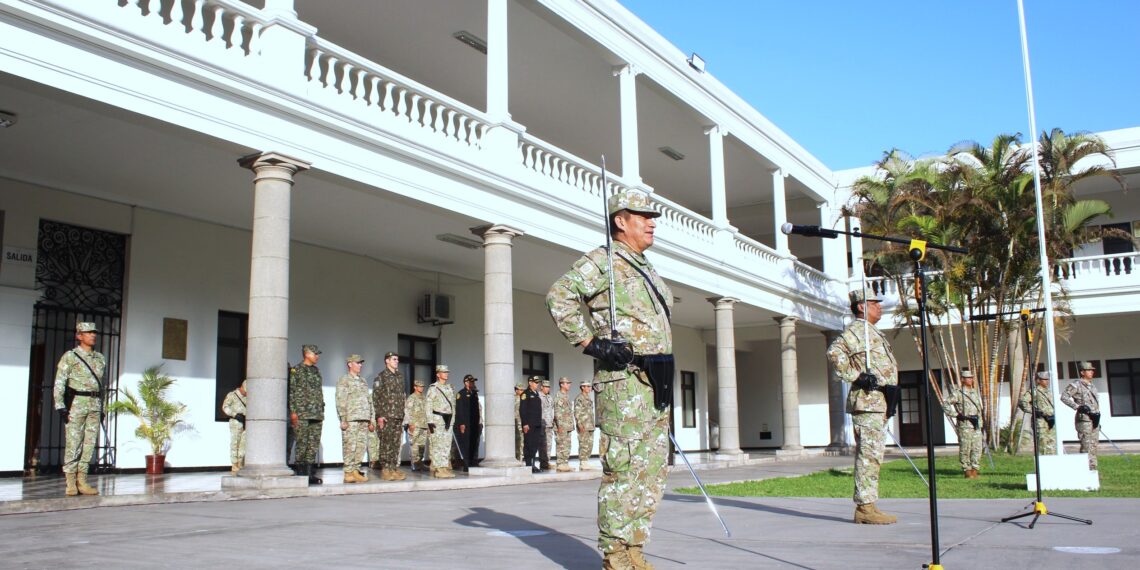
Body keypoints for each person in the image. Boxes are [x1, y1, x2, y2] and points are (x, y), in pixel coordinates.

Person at [546, 190, 674, 568]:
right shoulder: (604, 261)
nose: (652, 223)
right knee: (624, 468)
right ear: (621, 220)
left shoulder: (645, 267)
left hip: (655, 382)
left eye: (653, 217)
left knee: (650, 470)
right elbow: (560, 295)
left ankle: (635, 549)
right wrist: (593, 344)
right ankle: (616, 556)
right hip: (625, 384)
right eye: (643, 216)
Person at [826, 289, 898, 525]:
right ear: (860, 306)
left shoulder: (872, 332)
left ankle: (869, 504)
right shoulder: (857, 331)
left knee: (874, 455)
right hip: (868, 402)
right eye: (874, 303)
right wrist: (857, 376)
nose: (880, 307)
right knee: (869, 455)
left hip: (879, 402)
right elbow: (834, 353)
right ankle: (865, 508)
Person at [53, 321, 106, 496]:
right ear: (79, 336)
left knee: (89, 443)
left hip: (94, 404)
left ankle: (82, 480)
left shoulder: (100, 358)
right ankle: (70, 481)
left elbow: (101, 385)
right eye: (88, 332)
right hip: (77, 403)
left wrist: (102, 407)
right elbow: (60, 382)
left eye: (94, 332)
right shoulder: (70, 356)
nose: (93, 335)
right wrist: (60, 406)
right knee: (73, 442)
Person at [289, 344, 325, 485]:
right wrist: (293, 411)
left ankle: (310, 473)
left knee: (313, 444)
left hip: (316, 413)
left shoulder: (316, 371)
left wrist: (321, 409)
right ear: (307, 354)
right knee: (302, 443)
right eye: (315, 354)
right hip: (302, 413)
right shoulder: (296, 370)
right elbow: (292, 392)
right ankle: (301, 472)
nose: (317, 356)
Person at [337, 354, 374, 483]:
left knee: (361, 446)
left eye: (361, 363)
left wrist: (371, 419)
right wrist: (343, 418)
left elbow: (369, 401)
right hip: (351, 418)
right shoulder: (344, 380)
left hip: (364, 418)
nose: (360, 365)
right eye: (357, 363)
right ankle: (348, 471)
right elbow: (341, 400)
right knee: (350, 445)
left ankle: (355, 470)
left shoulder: (363, 381)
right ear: (350, 364)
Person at [372, 351, 407, 481]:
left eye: (397, 359)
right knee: (386, 442)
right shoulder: (381, 376)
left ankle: (393, 468)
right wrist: (379, 415)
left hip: (398, 415)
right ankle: (386, 469)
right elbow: (376, 397)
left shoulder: (400, 376)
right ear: (387, 361)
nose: (396, 361)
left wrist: (403, 413)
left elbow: (402, 396)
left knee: (395, 443)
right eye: (393, 359)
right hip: (386, 415)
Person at [1062, 361, 1101, 470]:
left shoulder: (1092, 386)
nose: (1091, 372)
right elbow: (1064, 397)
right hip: (1084, 420)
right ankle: (1085, 469)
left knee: (1093, 445)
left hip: (1094, 419)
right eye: (1089, 370)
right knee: (1086, 445)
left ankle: (1093, 469)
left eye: (1092, 370)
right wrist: (1077, 407)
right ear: (1082, 372)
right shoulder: (1076, 385)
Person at [946, 370, 983, 479]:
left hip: (975, 424)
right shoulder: (957, 393)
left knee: (977, 448)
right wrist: (956, 415)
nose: (970, 380)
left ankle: (975, 469)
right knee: (965, 448)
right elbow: (946, 404)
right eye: (968, 378)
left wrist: (980, 422)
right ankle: (967, 470)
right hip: (965, 425)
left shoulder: (974, 392)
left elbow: (978, 409)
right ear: (962, 379)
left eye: (971, 378)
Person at [426, 364, 457, 479]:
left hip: (448, 420)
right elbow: (428, 405)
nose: (446, 374)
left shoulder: (449, 388)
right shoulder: (433, 388)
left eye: (447, 372)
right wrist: (429, 421)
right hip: (437, 420)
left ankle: (444, 467)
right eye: (444, 372)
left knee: (446, 445)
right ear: (438, 374)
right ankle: (438, 468)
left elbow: (453, 405)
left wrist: (453, 420)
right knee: (437, 445)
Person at [1018, 371, 1056, 455]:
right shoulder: (1034, 391)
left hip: (1050, 421)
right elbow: (1022, 402)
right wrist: (1034, 411)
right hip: (1040, 422)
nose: (1047, 381)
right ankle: (1042, 464)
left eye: (1048, 379)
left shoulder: (1049, 392)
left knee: (1051, 445)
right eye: (1044, 379)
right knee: (1042, 445)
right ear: (1038, 380)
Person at [454, 374, 483, 470]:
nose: (473, 383)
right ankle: (466, 464)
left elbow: (476, 410)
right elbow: (460, 410)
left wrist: (479, 422)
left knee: (474, 443)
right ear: (466, 382)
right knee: (466, 443)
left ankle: (473, 462)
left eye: (474, 382)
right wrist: (461, 423)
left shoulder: (474, 393)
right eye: (471, 382)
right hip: (465, 423)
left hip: (474, 423)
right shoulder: (461, 394)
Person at [519, 375, 546, 473]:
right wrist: (525, 423)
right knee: (529, 444)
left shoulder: (536, 394)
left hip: (537, 424)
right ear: (530, 383)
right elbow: (523, 410)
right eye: (535, 382)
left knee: (535, 445)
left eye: (538, 382)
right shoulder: (525, 394)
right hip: (529, 425)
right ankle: (528, 465)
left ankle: (533, 465)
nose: (537, 384)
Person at [221, 381, 248, 473]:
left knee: (243, 445)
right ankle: (235, 464)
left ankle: (241, 463)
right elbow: (225, 407)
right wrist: (234, 414)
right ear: (242, 387)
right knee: (235, 444)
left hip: (245, 423)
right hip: (235, 423)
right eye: (245, 391)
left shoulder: (248, 397)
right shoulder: (232, 395)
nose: (246, 393)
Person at [403, 379, 429, 471]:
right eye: (419, 386)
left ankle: (419, 463)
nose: (421, 388)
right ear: (415, 387)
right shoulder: (411, 398)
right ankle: (414, 464)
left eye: (422, 387)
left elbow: (427, 412)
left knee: (422, 446)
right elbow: (407, 411)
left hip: (423, 425)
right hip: (415, 425)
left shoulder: (424, 398)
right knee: (414, 445)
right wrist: (410, 423)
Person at [553, 377, 575, 472]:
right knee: (561, 444)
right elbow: (557, 412)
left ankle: (565, 463)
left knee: (567, 445)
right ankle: (560, 464)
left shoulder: (566, 396)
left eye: (569, 383)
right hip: (562, 426)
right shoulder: (559, 396)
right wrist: (560, 425)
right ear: (561, 384)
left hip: (568, 425)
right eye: (567, 383)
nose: (569, 385)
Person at [575, 380, 596, 470]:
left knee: (590, 443)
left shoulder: (588, 397)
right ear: (582, 387)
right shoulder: (580, 398)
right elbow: (577, 412)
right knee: (583, 443)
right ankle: (583, 462)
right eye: (587, 386)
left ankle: (586, 460)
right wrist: (579, 424)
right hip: (583, 425)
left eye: (589, 386)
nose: (589, 388)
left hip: (590, 424)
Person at [540, 379, 554, 467]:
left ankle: (547, 461)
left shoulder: (550, 397)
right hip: (542, 424)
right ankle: (543, 462)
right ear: (541, 387)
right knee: (542, 444)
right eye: (545, 387)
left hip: (549, 424)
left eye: (548, 387)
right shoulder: (538, 397)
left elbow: (552, 409)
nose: (547, 389)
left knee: (549, 443)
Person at [514, 382, 526, 461]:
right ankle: (517, 458)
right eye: (520, 389)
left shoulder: (524, 398)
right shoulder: (512, 398)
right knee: (516, 442)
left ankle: (520, 458)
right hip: (515, 423)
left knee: (522, 441)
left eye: (523, 390)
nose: (522, 391)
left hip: (522, 423)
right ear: (516, 390)